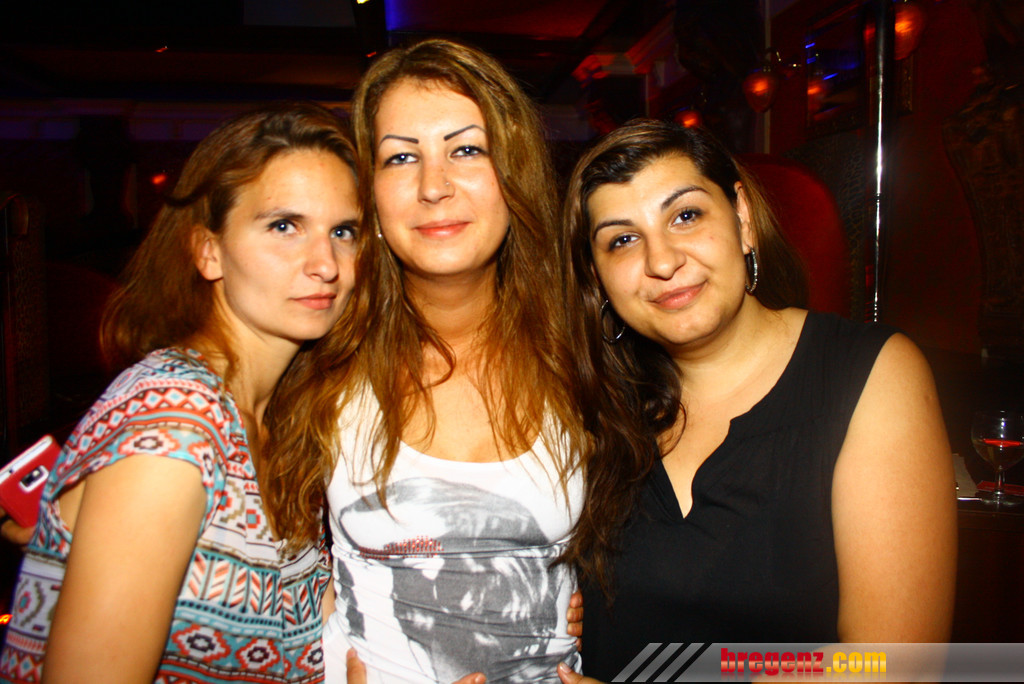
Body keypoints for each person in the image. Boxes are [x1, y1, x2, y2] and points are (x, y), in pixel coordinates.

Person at [555, 119, 956, 682]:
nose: (662, 261)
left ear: (741, 218)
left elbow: (897, 667)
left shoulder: (867, 375)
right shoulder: (591, 406)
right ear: (597, 276)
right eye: (621, 240)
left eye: (685, 216)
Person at [0, 102, 361, 684]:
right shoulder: (175, 431)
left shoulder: (276, 415)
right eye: (284, 226)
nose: (326, 264)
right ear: (208, 251)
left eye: (343, 231)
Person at [267, 39, 586, 683]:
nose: (433, 186)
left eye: (466, 150)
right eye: (401, 157)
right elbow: (250, 565)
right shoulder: (312, 355)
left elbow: (685, 577)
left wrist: (597, 604)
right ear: (369, 194)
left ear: (514, 172)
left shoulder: (587, 349)